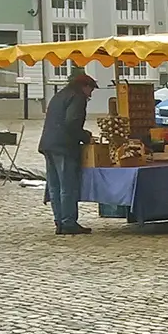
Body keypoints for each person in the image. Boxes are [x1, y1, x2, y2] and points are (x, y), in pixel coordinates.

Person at [39, 73, 97, 236]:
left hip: (48, 144)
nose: (90, 95)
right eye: (91, 90)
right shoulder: (77, 98)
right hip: (64, 146)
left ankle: (59, 221)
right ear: (85, 87)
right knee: (67, 186)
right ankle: (68, 222)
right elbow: (72, 123)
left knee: (55, 186)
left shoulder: (59, 95)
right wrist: (86, 136)